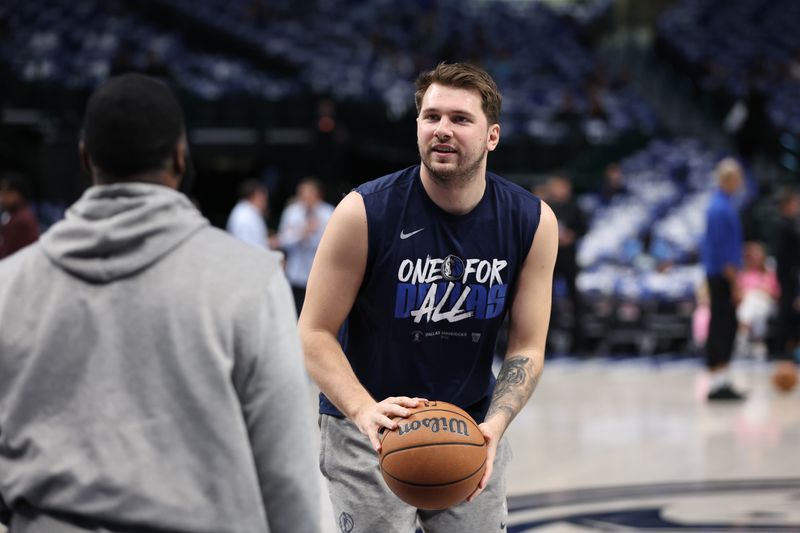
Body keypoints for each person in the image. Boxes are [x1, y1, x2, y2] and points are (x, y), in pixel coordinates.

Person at [0, 74, 319, 533]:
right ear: (180, 156)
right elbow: (286, 473)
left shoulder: (11, 283)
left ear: (85, 156)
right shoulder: (250, 279)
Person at [299, 62, 558, 532]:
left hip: (469, 425)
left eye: (460, 119)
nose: (442, 130)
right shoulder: (363, 212)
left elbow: (527, 346)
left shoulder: (532, 221)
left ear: (492, 136)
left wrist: (494, 427)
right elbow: (314, 332)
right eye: (431, 116)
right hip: (368, 422)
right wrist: (362, 410)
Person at [702, 157, 745, 400]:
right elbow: (722, 250)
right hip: (722, 277)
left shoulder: (722, 205)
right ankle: (718, 383)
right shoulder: (720, 209)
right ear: (728, 179)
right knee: (722, 327)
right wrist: (736, 283)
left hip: (718, 275)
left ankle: (723, 380)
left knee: (725, 326)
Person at [275, 177, 334, 315]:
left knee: (315, 313)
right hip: (296, 272)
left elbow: (332, 243)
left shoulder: (329, 212)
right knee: (294, 312)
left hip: (319, 272)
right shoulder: (292, 211)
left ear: (318, 194)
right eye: (302, 193)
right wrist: (303, 233)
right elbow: (283, 239)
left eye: (309, 193)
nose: (305, 197)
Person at [547, 173, 587, 353]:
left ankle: (578, 343)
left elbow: (583, 228)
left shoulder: (574, 208)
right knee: (547, 302)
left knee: (575, 303)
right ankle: (547, 344)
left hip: (569, 259)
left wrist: (572, 236)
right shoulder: (547, 207)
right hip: (551, 260)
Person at [735, 241, 779, 359]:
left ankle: (743, 337)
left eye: (758, 255)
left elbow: (776, 293)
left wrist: (763, 291)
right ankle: (758, 340)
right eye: (752, 256)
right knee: (752, 301)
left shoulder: (769, 273)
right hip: (748, 305)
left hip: (767, 304)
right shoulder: (741, 274)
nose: (756, 258)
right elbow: (737, 295)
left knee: (755, 300)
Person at [774, 187, 800, 365]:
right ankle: (782, 348)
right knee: (787, 309)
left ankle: (788, 347)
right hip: (788, 273)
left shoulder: (790, 224)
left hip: (790, 273)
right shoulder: (784, 225)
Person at [0, 173, 39, 259]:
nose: (2, 196)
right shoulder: (16, 217)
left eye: (6, 191)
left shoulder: (21, 220)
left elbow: (7, 255)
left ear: (18, 194)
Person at [226, 179, 269, 248]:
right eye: (264, 198)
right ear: (257, 195)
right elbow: (249, 246)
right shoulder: (246, 216)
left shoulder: (245, 211)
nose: (266, 203)